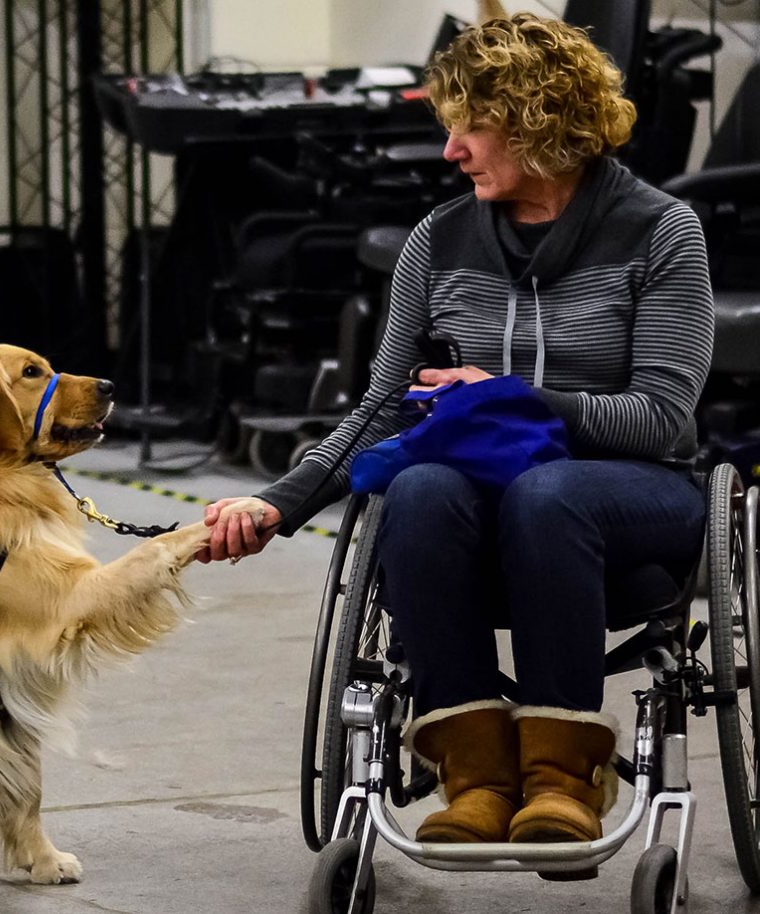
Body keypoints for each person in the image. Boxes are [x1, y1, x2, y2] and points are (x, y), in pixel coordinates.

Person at [197, 13, 714, 847]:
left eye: (470, 127)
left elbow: (660, 418)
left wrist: (517, 398)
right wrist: (277, 504)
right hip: (485, 496)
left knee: (548, 495)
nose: (450, 151)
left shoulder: (659, 230)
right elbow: (381, 407)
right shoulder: (437, 241)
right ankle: (474, 777)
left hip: (631, 495)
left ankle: (561, 777)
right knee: (422, 485)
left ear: (539, 119)